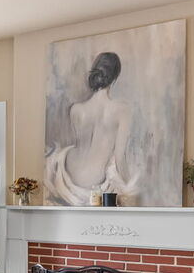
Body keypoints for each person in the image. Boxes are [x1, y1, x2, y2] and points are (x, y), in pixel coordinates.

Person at [45, 51, 137, 204]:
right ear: (114, 78)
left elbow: (82, 144)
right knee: (116, 170)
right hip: (93, 180)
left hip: (68, 172)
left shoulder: (75, 109)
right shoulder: (122, 111)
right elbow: (120, 158)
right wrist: (130, 189)